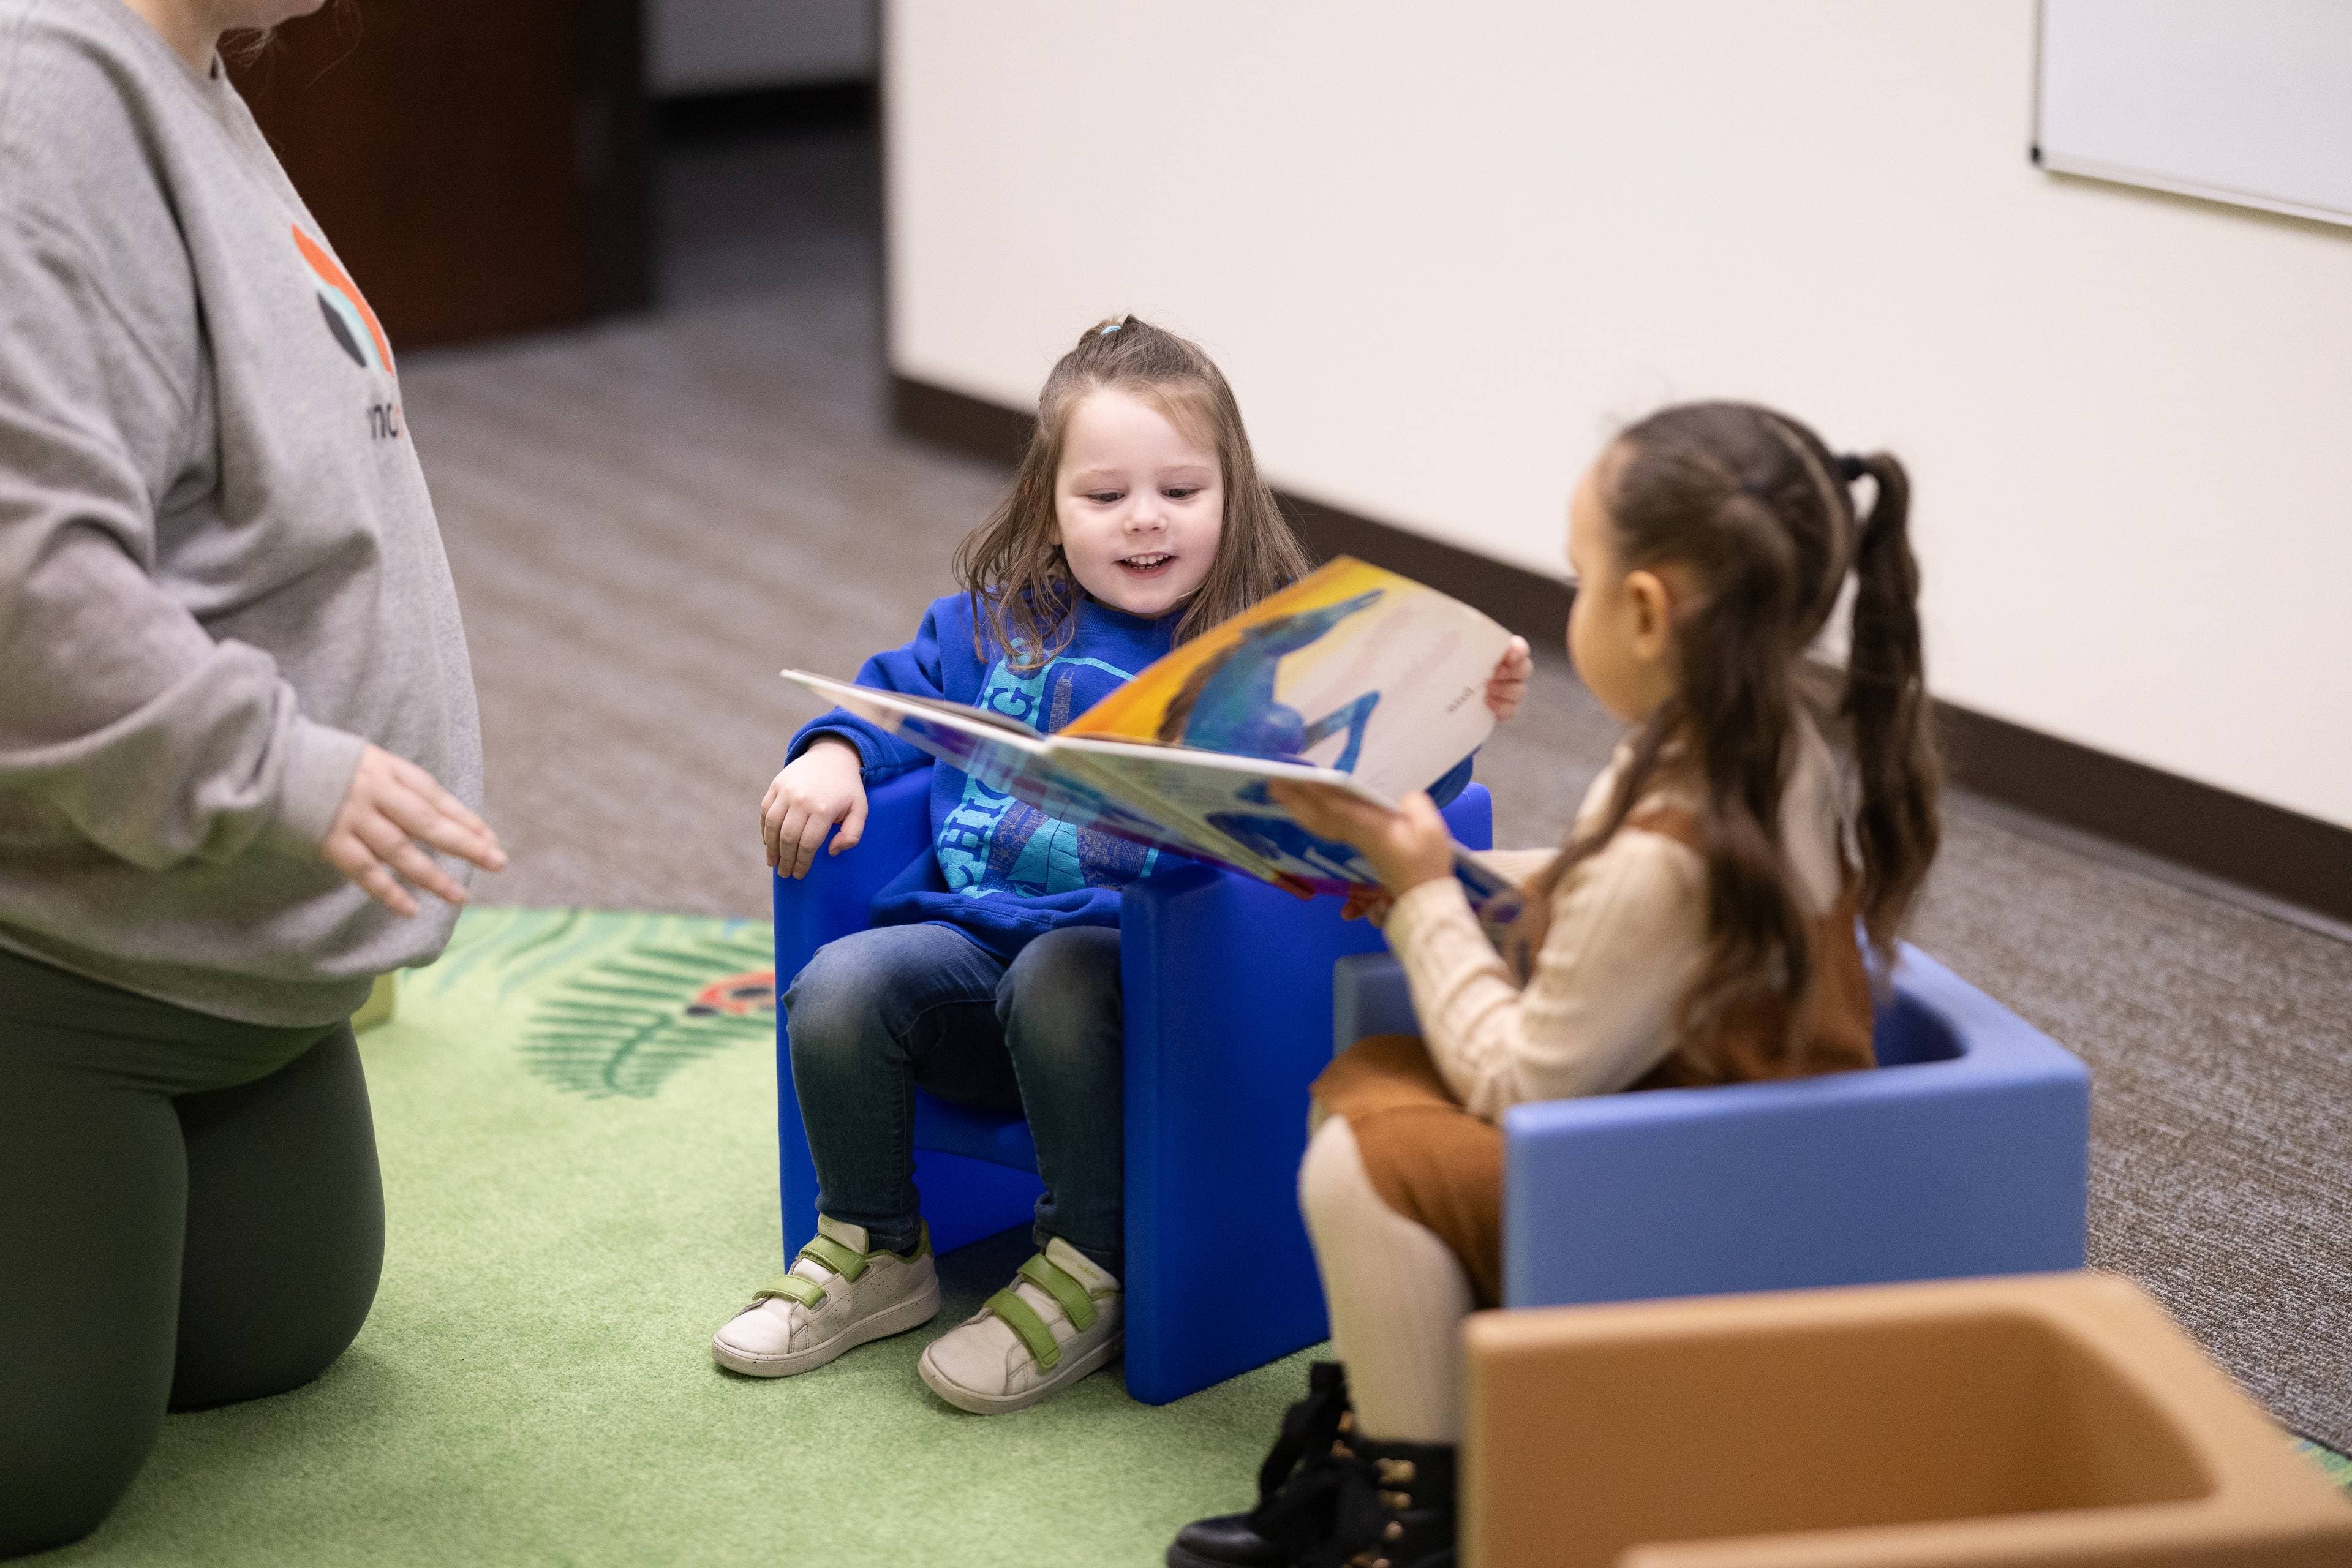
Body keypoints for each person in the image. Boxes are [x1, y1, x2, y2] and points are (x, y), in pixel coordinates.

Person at [1169, 401, 1942, 1567]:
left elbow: (1519, 1084)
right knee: (1377, 1077)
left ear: (1647, 612)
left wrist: (1425, 900)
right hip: (1737, 1141)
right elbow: (1624, 917)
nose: (1570, 603)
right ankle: (1413, 1438)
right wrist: (1437, 878)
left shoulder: (1675, 844)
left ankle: (1416, 1520)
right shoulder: (1764, 745)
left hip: (1693, 1199)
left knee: (1362, 1155)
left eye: (1581, 578)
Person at [714, 317, 1534, 1414]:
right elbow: (888, 701)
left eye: (1180, 491)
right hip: (972, 962)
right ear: (1049, 505)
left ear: (1231, 494)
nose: (1145, 518)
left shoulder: (1269, 659)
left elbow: (1391, 783)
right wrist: (833, 754)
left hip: (1156, 997)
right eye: (1105, 495)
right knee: (840, 985)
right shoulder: (992, 628)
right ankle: (877, 1247)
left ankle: (1089, 1265)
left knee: (1057, 973)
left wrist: (1462, 712)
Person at [0, 0, 503, 1555]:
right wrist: (275, 770)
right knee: (38, 1467)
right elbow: (25, 580)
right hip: (62, 953)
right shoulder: (46, 92)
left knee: (276, 1329)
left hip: (239, 963)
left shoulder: (189, 79)